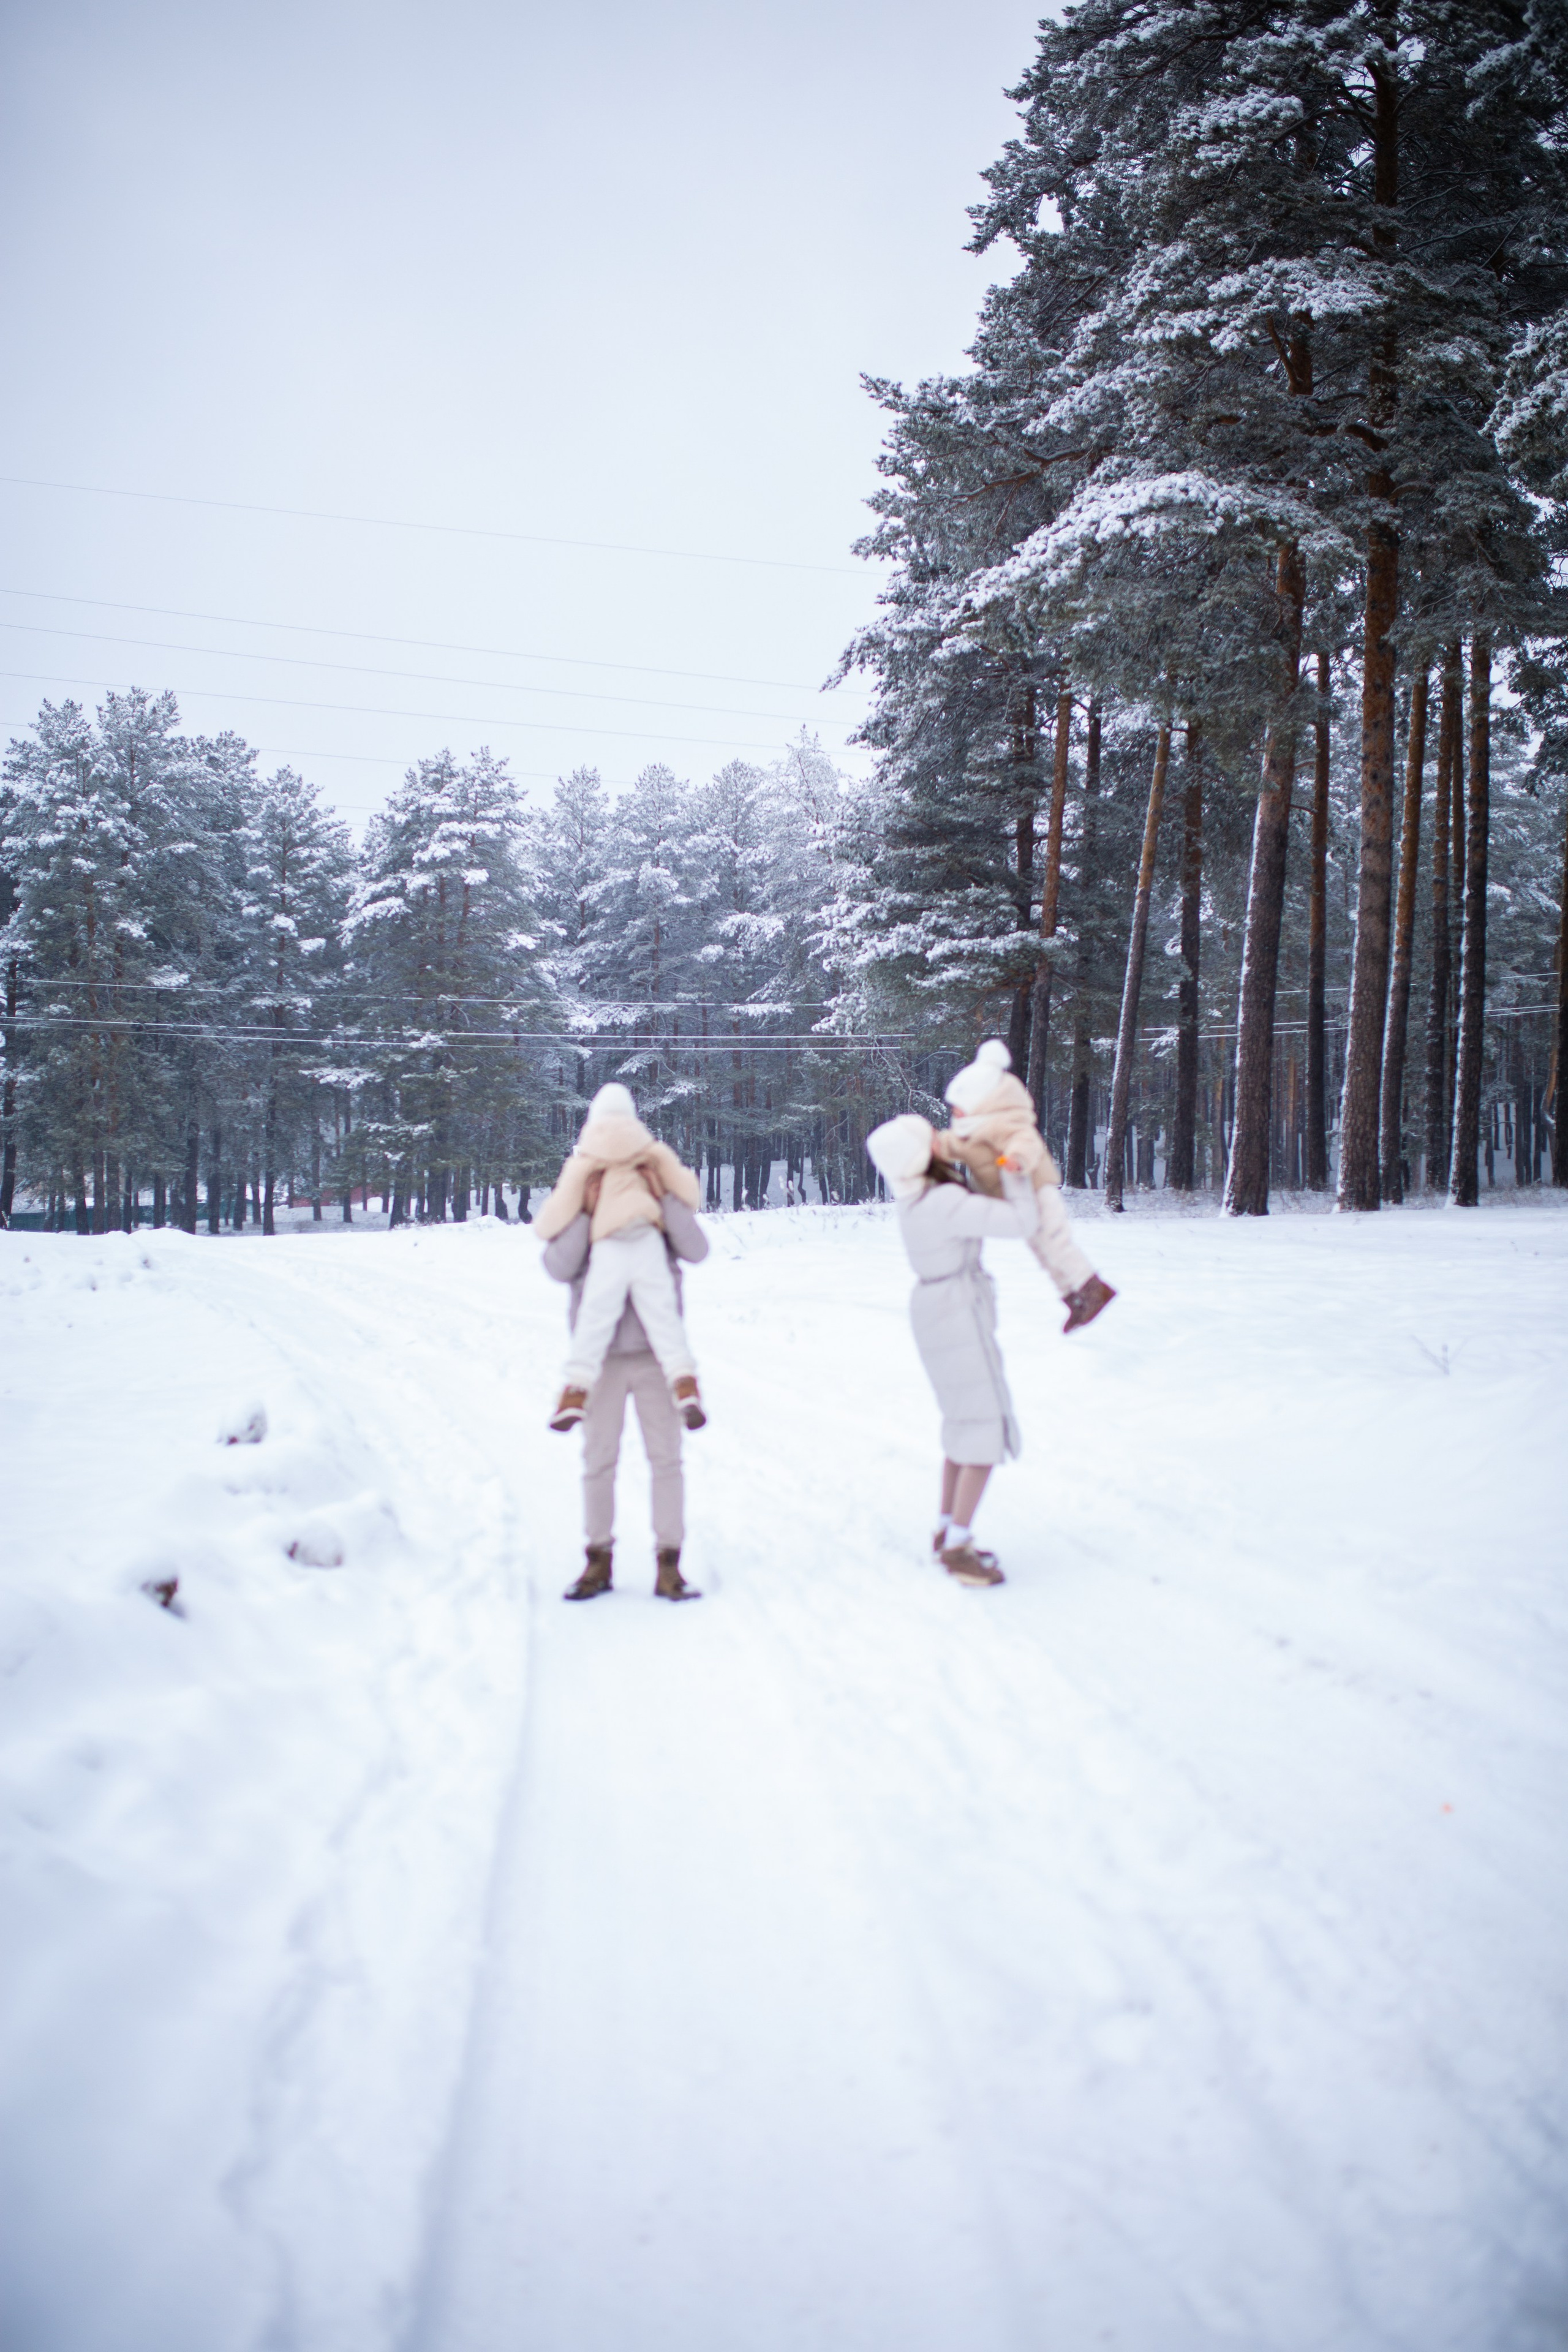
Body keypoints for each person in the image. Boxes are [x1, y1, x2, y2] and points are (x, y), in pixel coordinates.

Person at [865, 1109, 1105, 1589]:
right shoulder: (944, 1201)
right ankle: (957, 1547)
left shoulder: (917, 1201)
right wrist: (1014, 1171)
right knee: (983, 1429)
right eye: (931, 1138)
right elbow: (1019, 1222)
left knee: (963, 1423)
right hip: (956, 1313)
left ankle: (945, 1530)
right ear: (921, 1156)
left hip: (938, 1310)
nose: (941, 1140)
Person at [538, 1107, 709, 1604]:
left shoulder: (656, 1181)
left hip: (656, 1358)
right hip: (606, 1362)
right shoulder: (584, 1185)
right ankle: (598, 1561)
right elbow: (557, 1265)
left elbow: (696, 1250)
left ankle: (669, 1565)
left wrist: (661, 1197)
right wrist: (589, 1209)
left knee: (666, 1462)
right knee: (598, 1462)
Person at [533, 1083, 707, 1436]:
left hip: (609, 1245)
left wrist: (582, 1205)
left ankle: (576, 1388)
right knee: (663, 1315)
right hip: (647, 1241)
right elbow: (690, 1192)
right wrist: (662, 1189)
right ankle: (684, 1381)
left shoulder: (585, 1163)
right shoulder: (651, 1154)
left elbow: (551, 1219)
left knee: (595, 1315)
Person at [936, 1039, 1115, 1330]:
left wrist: (1016, 1159)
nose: (954, 1112)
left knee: (1055, 1240)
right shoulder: (968, 1133)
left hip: (1036, 1188)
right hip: (1016, 1200)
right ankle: (1072, 1297)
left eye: (959, 1106)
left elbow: (1025, 1143)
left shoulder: (1009, 1123)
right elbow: (948, 1145)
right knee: (1041, 1249)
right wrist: (928, 1145)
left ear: (982, 1101)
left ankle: (1093, 1289)